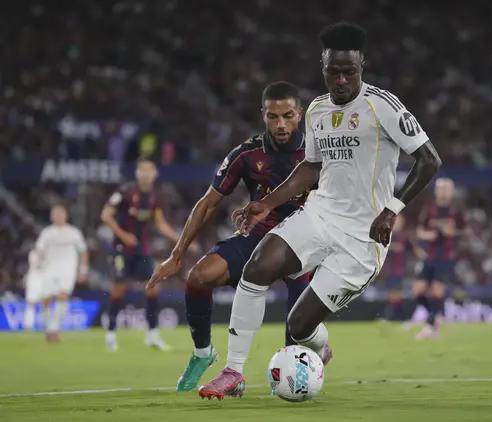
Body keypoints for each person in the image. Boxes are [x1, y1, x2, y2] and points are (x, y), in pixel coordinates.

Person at [195, 22, 441, 400]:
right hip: (321, 215)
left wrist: (392, 209)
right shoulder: (317, 110)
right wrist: (266, 203)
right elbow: (310, 168)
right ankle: (233, 372)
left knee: (299, 326)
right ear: (322, 67)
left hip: (363, 237)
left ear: (362, 66)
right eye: (333, 71)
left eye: (349, 72)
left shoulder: (384, 106)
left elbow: (429, 160)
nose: (340, 80)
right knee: (258, 265)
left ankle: (319, 347)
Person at [146, 81, 311, 392]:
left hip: (305, 244)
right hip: (259, 239)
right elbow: (208, 203)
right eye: (273, 117)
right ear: (263, 115)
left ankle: (313, 351)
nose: (280, 124)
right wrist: (177, 254)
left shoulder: (318, 152)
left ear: (299, 114)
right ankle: (203, 353)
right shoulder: (247, 154)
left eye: (287, 116)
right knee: (199, 277)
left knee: (299, 338)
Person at [101, 159, 180, 351]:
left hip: (142, 250)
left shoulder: (154, 197)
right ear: (137, 173)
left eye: (149, 171)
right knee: (118, 288)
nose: (145, 174)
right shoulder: (125, 191)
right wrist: (123, 235)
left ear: (154, 174)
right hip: (121, 248)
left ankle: (152, 335)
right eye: (142, 171)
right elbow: (106, 215)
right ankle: (111, 334)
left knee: (153, 288)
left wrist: (179, 239)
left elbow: (160, 223)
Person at [413, 177, 464, 339]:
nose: (443, 192)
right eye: (441, 188)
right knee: (418, 290)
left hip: (446, 256)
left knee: (436, 289)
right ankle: (436, 316)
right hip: (430, 255)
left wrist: (453, 233)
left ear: (452, 191)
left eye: (446, 189)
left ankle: (429, 327)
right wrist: (430, 235)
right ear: (436, 191)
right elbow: (420, 231)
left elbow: (464, 231)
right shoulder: (429, 209)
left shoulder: (456, 211)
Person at [30, 205, 89, 341]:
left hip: (68, 269)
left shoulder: (74, 232)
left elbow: (83, 251)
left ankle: (54, 329)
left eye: (60, 214)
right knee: (46, 299)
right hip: (49, 269)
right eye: (55, 214)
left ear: (65, 215)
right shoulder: (47, 232)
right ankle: (48, 327)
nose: (58, 216)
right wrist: (37, 263)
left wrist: (83, 269)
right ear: (52, 217)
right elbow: (39, 249)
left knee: (62, 296)